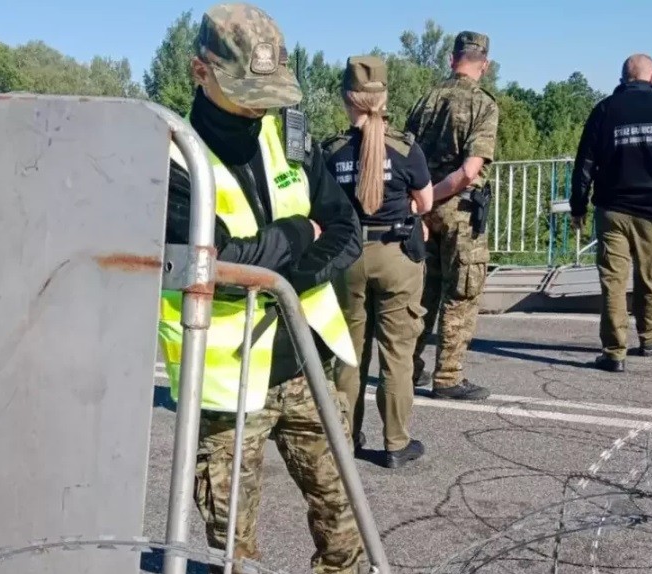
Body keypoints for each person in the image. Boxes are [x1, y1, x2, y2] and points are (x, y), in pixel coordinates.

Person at [158, 4, 367, 573]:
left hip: (304, 364)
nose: (261, 104)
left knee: (344, 515)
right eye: (245, 88)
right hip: (227, 388)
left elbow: (346, 230)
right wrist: (300, 232)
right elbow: (214, 267)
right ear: (202, 72)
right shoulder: (172, 158)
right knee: (232, 549)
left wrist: (277, 275)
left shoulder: (289, 134)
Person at [322, 56, 433, 469]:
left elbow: (322, 208)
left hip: (347, 257)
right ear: (384, 98)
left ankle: (345, 441)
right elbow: (425, 203)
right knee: (397, 354)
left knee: (348, 354)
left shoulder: (330, 151)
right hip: (397, 255)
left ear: (346, 99)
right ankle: (395, 443)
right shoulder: (405, 148)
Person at [404, 31, 499, 400]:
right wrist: (438, 195)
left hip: (422, 212)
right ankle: (448, 376)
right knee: (461, 293)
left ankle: (407, 369)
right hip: (459, 211)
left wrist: (420, 202)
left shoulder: (425, 100)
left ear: (452, 58)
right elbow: (469, 172)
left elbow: (405, 156)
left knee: (422, 294)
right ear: (484, 64)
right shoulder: (483, 105)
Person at [570, 53, 652, 372]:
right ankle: (650, 338)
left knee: (613, 281)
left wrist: (578, 206)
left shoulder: (605, 109)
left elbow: (584, 164)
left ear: (623, 78)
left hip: (613, 210)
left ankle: (614, 352)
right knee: (650, 276)